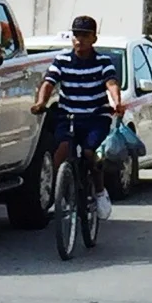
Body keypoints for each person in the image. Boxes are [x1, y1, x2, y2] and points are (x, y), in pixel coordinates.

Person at [29, 15, 124, 182]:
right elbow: (48, 83)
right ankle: (56, 189)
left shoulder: (103, 61)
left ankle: (99, 192)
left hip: (95, 117)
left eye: (85, 36)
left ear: (94, 38)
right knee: (62, 149)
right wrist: (41, 103)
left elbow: (111, 84)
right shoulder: (62, 60)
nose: (80, 40)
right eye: (76, 35)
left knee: (89, 153)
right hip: (68, 116)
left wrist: (117, 103)